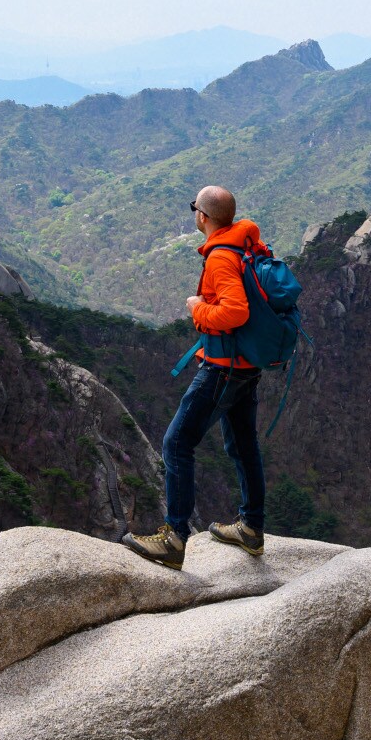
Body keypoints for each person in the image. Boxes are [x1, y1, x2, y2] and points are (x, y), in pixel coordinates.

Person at [123, 184, 269, 568]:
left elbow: (235, 312)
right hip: (246, 365)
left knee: (176, 444)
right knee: (243, 444)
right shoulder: (247, 244)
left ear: (201, 216)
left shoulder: (221, 255)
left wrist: (197, 308)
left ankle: (174, 539)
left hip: (222, 369)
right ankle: (252, 528)